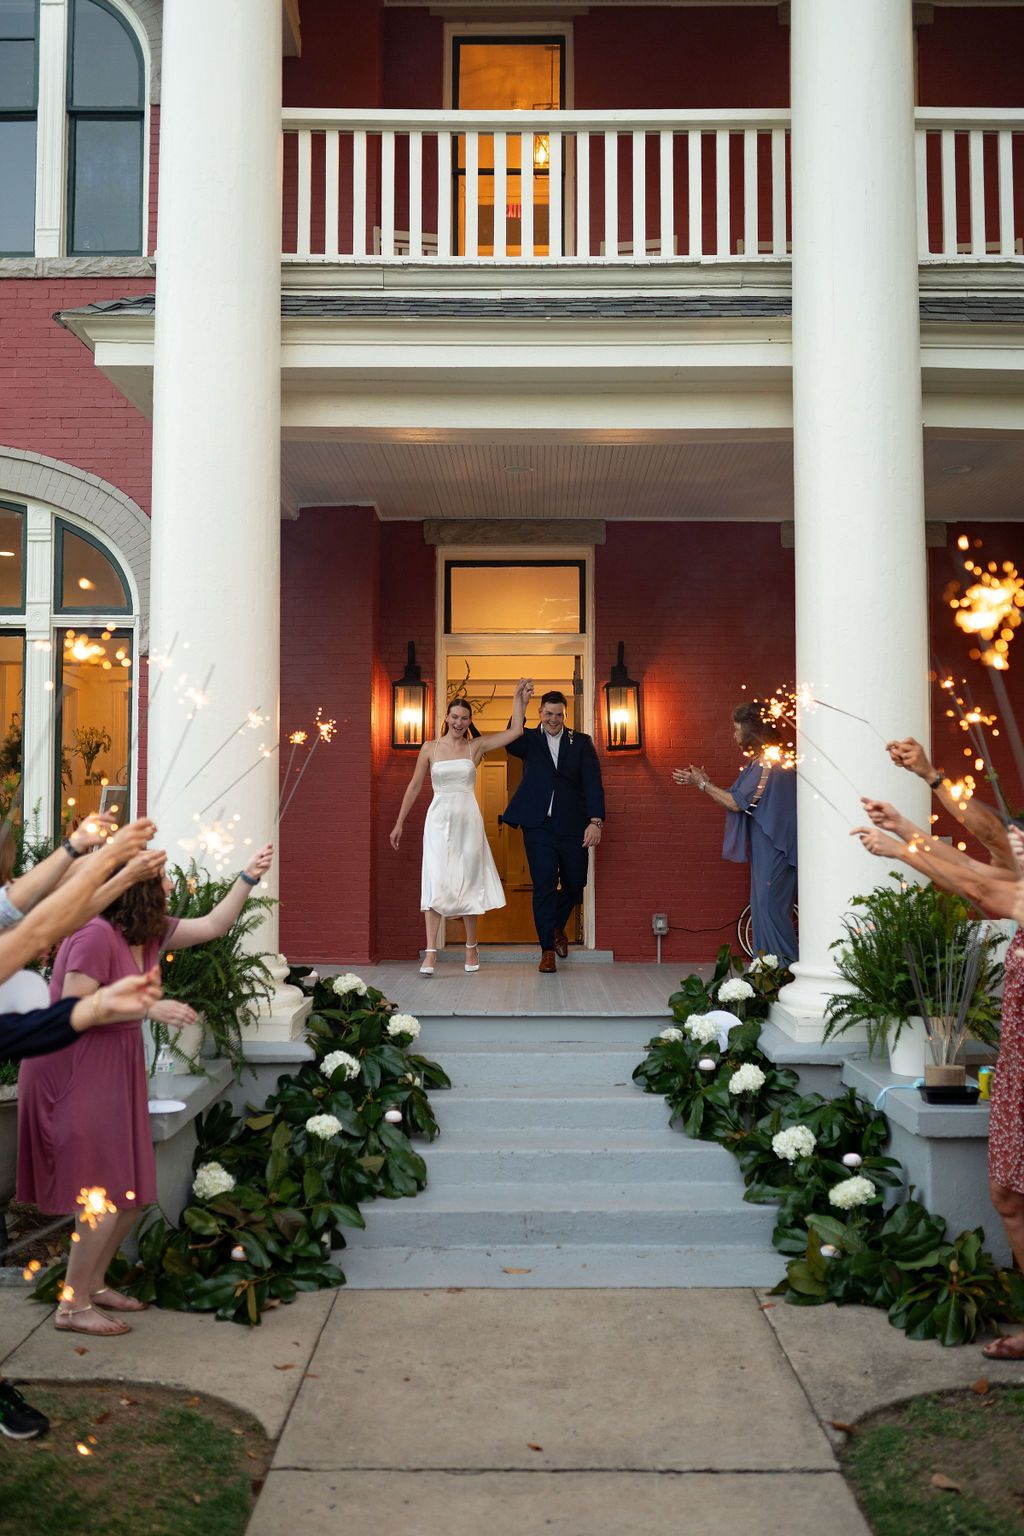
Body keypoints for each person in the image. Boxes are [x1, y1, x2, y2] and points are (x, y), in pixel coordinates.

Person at [17, 841, 275, 1338]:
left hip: (114, 1066)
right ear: (136, 889)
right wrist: (149, 1008)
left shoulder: (150, 933)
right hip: (72, 1067)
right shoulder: (93, 935)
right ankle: (71, 1307)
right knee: (100, 1193)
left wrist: (248, 876)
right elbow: (73, 1009)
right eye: (162, 879)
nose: (171, 885)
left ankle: (92, 1285)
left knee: (130, 1193)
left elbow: (215, 925)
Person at [853, 736, 1024, 1360]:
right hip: (1015, 1072)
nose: (1010, 843)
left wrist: (904, 839)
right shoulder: (1014, 878)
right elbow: (976, 862)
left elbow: (980, 870)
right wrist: (908, 820)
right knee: (1008, 1195)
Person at [390, 683, 532, 973]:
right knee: (435, 880)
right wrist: (399, 822)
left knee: (469, 880)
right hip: (438, 819)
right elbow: (415, 785)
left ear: (469, 721)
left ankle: (471, 947)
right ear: (447, 716)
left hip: (468, 819)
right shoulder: (429, 748)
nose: (459, 722)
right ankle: (430, 952)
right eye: (454, 717)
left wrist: (519, 699)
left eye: (464, 718)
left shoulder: (475, 746)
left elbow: (515, 732)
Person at [673, 701, 798, 963]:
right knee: (762, 908)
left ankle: (785, 970)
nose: (734, 735)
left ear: (752, 731)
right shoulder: (760, 762)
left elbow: (736, 803)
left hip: (777, 851)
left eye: (737, 729)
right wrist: (704, 783)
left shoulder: (769, 762)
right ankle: (768, 970)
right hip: (766, 849)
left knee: (770, 909)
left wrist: (702, 783)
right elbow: (736, 797)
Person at [502, 690, 605, 974]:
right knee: (544, 886)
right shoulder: (528, 740)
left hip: (573, 826)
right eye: (548, 713)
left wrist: (595, 821)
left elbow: (593, 783)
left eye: (559, 714)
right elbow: (511, 743)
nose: (554, 719)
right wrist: (519, 703)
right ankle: (547, 949)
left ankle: (556, 925)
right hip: (539, 827)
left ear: (565, 715)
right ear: (540, 713)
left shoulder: (581, 743)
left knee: (575, 884)